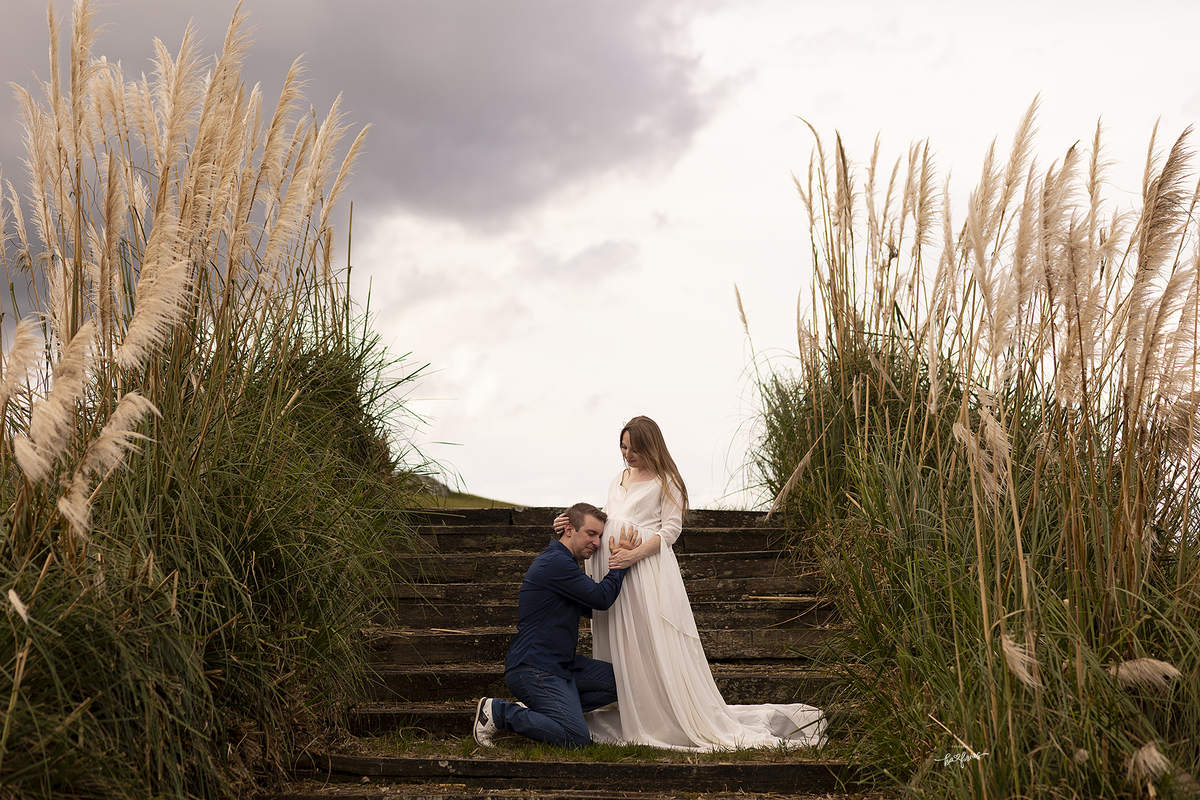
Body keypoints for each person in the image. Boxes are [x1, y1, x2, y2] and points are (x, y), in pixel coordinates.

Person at [560, 415, 826, 752]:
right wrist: (570, 521)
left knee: (647, 637)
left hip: (642, 569)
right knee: (620, 638)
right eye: (623, 447)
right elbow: (608, 516)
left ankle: (658, 712)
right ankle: (627, 704)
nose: (627, 455)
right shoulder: (619, 478)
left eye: (634, 449)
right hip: (612, 566)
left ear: (651, 447)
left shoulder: (667, 480)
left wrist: (633, 555)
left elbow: (671, 531)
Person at [473, 502, 642, 748]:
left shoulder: (565, 564)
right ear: (569, 530)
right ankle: (498, 712)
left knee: (624, 682)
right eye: (591, 534)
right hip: (534, 667)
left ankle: (544, 712)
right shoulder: (555, 563)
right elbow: (600, 599)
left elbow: (590, 608)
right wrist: (620, 562)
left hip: (562, 666)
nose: (596, 542)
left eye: (599, 536)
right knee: (577, 739)